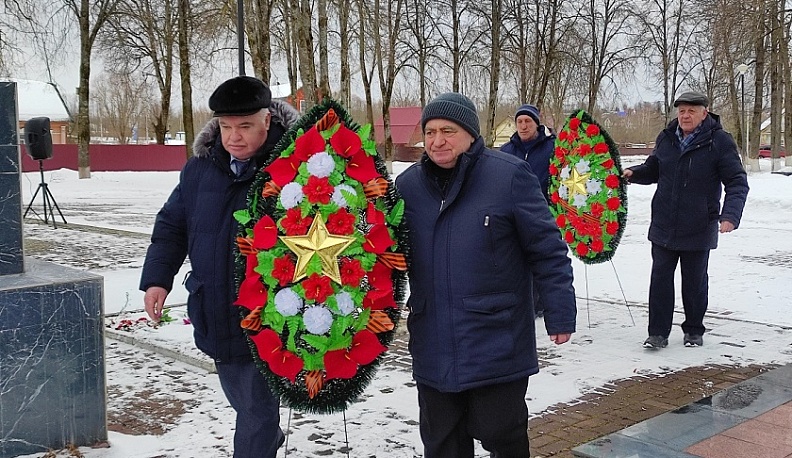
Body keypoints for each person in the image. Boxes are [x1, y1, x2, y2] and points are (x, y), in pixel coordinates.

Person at [395, 92, 577, 458]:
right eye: (430, 131)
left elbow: (547, 249)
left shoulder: (508, 176)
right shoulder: (408, 186)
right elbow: (387, 255)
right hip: (433, 337)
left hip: (495, 338)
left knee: (501, 434)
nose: (437, 141)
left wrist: (560, 311)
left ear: (471, 135)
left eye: (448, 130)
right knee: (442, 442)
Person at [139, 75, 300, 458]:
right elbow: (172, 226)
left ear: (267, 120)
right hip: (215, 309)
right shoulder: (200, 170)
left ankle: (260, 442)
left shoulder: (297, 171)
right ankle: (265, 437)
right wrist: (157, 280)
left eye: (245, 126)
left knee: (255, 412)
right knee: (246, 404)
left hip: (271, 317)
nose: (234, 137)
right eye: (226, 127)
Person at [623, 91, 749, 350]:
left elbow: (737, 182)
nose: (685, 115)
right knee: (659, 281)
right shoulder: (667, 138)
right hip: (663, 224)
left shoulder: (719, 142)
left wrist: (730, 216)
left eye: (692, 110)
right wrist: (632, 173)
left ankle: (693, 329)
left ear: (705, 113)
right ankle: (657, 333)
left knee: (694, 283)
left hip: (699, 225)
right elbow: (654, 169)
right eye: (681, 110)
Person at [500, 103, 556, 318]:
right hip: (513, 214)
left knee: (542, 259)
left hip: (544, 213)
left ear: (536, 123)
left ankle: (542, 303)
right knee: (517, 260)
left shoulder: (552, 148)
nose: (523, 126)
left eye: (528, 121)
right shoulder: (507, 151)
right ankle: (527, 304)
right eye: (520, 122)